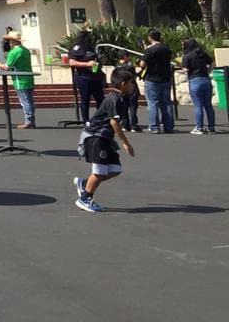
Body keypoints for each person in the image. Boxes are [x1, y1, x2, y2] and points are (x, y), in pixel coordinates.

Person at [73, 65, 136, 213]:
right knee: (100, 172)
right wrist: (126, 143)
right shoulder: (114, 99)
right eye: (132, 82)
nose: (133, 85)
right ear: (123, 84)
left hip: (105, 138)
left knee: (115, 169)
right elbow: (114, 122)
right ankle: (85, 199)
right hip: (96, 137)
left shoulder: (119, 98)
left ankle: (85, 183)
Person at [0, 29, 35, 128]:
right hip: (28, 78)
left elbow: (7, 67)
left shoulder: (14, 52)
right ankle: (31, 120)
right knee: (29, 100)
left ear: (12, 41)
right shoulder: (25, 50)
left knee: (24, 101)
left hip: (20, 80)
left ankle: (29, 121)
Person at [139, 29, 174, 134]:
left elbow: (142, 64)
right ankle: (168, 126)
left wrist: (146, 51)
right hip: (165, 78)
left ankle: (154, 126)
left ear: (150, 38)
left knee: (153, 103)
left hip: (152, 79)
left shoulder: (150, 50)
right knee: (166, 103)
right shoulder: (167, 49)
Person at [67, 29, 104, 123]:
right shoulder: (77, 47)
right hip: (83, 77)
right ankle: (85, 121)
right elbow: (72, 62)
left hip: (95, 77)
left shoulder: (91, 48)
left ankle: (99, 119)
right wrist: (87, 64)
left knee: (100, 99)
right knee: (85, 100)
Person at [180, 38, 216, 134]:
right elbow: (212, 62)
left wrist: (181, 67)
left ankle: (199, 127)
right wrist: (208, 71)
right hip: (206, 79)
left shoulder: (187, 56)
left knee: (198, 105)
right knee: (208, 105)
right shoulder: (202, 54)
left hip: (195, 80)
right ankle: (211, 127)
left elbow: (185, 70)